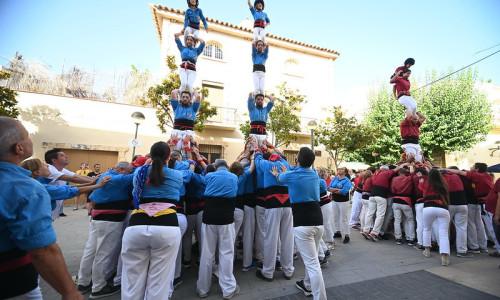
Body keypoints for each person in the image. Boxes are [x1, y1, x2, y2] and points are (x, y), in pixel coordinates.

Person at [0, 116, 82, 299]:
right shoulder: (25, 188)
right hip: (13, 283)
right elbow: (42, 250)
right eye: (27, 137)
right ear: (19, 148)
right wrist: (69, 292)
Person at [121, 142, 184, 299]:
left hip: (136, 225)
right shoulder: (177, 175)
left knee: (131, 282)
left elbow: (137, 186)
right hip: (167, 226)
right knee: (159, 282)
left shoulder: (139, 173)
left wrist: (147, 163)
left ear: (150, 155)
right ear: (168, 157)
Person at [271, 147, 327, 299]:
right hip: (318, 221)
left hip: (303, 223)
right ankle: (308, 286)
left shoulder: (292, 175)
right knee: (313, 258)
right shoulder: (315, 175)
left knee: (313, 264)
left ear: (297, 160)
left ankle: (320, 297)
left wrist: (277, 173)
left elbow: (280, 177)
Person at [78, 161, 134, 298]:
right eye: (129, 171)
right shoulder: (118, 178)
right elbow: (139, 175)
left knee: (90, 250)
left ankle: (83, 282)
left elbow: (92, 197)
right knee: (104, 253)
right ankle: (98, 287)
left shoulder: (104, 176)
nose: (131, 173)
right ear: (121, 169)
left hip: (97, 218)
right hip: (110, 220)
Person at [197, 159, 240, 299]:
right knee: (226, 253)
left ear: (215, 167)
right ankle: (228, 289)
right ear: (227, 166)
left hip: (209, 219)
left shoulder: (209, 176)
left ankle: (203, 289)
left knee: (206, 254)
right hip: (226, 220)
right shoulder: (233, 177)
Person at [254, 147, 294, 282]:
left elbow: (258, 159)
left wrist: (257, 148)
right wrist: (271, 148)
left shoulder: (267, 164)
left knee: (270, 238)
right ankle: (288, 270)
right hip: (287, 205)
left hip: (272, 206)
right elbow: (281, 157)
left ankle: (268, 271)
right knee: (287, 237)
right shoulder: (286, 164)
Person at [20, 158, 110, 215]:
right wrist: (98, 185)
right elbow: (71, 190)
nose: (47, 166)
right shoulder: (41, 188)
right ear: (36, 173)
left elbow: (67, 187)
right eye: (43, 165)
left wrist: (91, 183)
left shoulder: (36, 183)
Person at [447, 163, 492, 253]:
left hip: (471, 202)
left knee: (471, 224)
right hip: (478, 202)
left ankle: (473, 246)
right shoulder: (486, 176)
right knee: (479, 224)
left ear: (477, 169)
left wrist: (444, 170)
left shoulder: (474, 176)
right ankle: (483, 245)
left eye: (473, 166)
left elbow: (461, 172)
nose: (471, 167)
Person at [44, 149, 93, 219]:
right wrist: (97, 182)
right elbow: (74, 179)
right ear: (54, 160)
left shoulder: (62, 169)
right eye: (62, 156)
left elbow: (76, 176)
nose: (66, 157)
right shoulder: (50, 169)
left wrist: (95, 180)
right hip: (43, 208)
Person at [419, 168, 451, 266]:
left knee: (427, 229)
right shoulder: (444, 184)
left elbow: (421, 189)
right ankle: (444, 256)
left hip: (428, 207)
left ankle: (427, 250)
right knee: (444, 234)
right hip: (443, 208)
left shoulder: (426, 183)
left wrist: (421, 182)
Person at [442, 169, 472, 257]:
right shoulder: (456, 176)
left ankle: (445, 248)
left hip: (449, 204)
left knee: (445, 227)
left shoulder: (443, 178)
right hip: (462, 204)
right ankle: (462, 250)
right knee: (462, 228)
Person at [174, 31, 205, 97]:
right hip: (183, 69)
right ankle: (180, 99)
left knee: (189, 85)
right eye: (188, 39)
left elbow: (203, 42)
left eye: (191, 40)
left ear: (194, 42)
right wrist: (183, 33)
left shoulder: (196, 51)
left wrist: (196, 37)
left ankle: (191, 100)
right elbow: (176, 35)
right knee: (184, 84)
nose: (189, 41)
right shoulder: (182, 48)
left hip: (192, 71)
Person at [390, 165, 415, 245]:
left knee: (397, 220)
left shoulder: (394, 179)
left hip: (396, 200)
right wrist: (411, 166)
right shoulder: (409, 178)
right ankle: (410, 239)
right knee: (409, 220)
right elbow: (412, 174)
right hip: (406, 201)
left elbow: (392, 189)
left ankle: (398, 238)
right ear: (405, 173)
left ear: (399, 173)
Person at [328, 167, 352, 244]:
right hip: (335, 200)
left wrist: (334, 189)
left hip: (343, 201)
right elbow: (328, 188)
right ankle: (338, 231)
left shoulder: (347, 181)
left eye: (342, 169)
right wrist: (337, 190)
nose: (339, 170)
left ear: (345, 172)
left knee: (344, 218)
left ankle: (347, 235)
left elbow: (344, 191)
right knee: (336, 217)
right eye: (339, 169)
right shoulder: (335, 179)